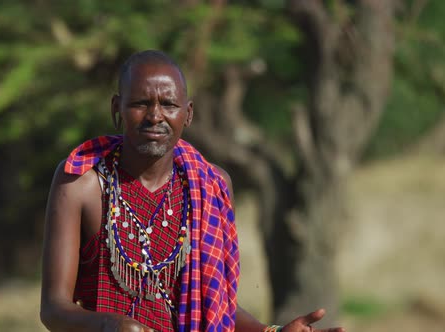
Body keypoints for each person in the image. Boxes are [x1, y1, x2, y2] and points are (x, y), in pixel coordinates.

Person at [40, 50, 345, 332]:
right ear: (116, 108)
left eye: (169, 105)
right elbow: (53, 309)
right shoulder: (81, 184)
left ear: (187, 114)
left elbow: (215, 306)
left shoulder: (211, 186)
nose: (155, 116)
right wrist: (112, 325)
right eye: (140, 104)